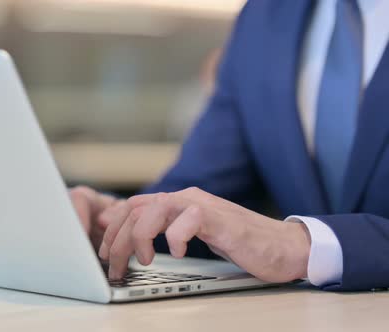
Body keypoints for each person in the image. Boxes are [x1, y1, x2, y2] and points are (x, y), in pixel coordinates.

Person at [69, 0, 389, 291]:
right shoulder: (265, 15)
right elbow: (202, 192)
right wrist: (119, 224)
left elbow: (289, 245)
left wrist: (303, 245)